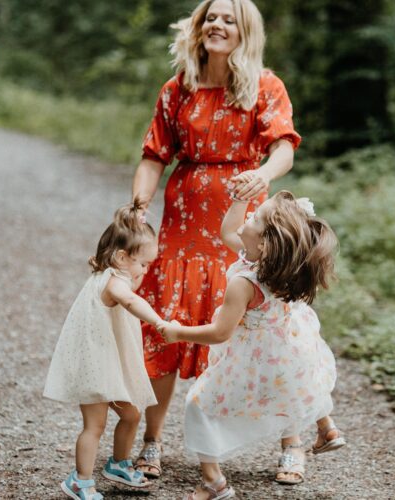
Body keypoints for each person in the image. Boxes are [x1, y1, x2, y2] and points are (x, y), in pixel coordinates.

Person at [130, 0, 306, 483]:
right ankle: (151, 442)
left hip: (244, 225)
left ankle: (293, 444)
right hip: (182, 228)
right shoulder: (178, 90)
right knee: (165, 327)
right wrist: (140, 203)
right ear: (198, 26)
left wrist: (263, 173)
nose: (218, 24)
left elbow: (284, 147)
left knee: (266, 330)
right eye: (211, 16)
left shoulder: (265, 87)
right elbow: (153, 154)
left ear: (245, 30)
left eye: (230, 18)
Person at [157, 190, 346, 499]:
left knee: (198, 405)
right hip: (286, 348)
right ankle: (326, 428)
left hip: (253, 356)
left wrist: (179, 333)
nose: (249, 215)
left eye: (256, 217)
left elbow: (220, 333)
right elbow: (229, 231)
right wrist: (239, 197)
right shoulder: (284, 265)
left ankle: (213, 481)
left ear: (264, 244)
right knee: (295, 387)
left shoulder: (243, 283)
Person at [43, 202, 164, 500]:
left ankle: (119, 463)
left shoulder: (117, 274)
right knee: (94, 426)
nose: (145, 272)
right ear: (122, 257)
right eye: (143, 264)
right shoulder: (114, 282)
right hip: (95, 366)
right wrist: (160, 322)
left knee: (133, 414)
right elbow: (132, 303)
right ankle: (80, 480)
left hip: (110, 364)